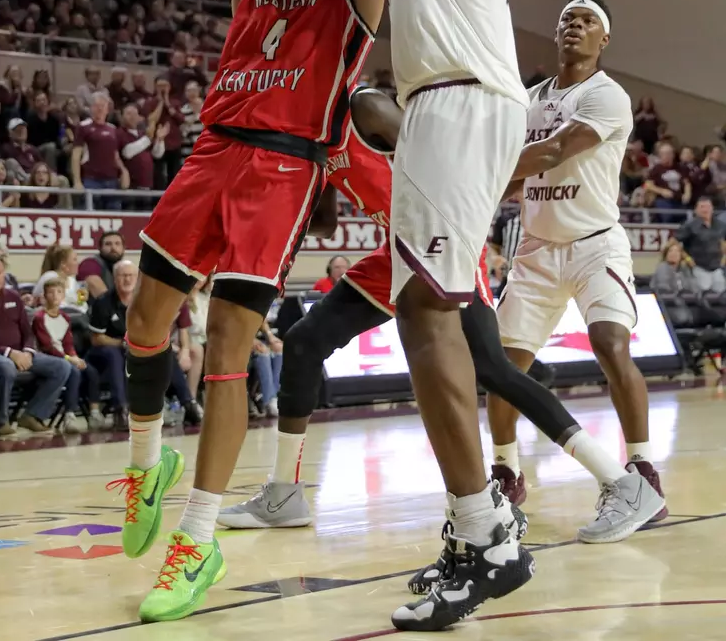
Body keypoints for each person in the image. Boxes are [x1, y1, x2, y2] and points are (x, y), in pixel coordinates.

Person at [114, 0, 385, 624]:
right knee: (145, 326)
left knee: (228, 347)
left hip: (280, 170)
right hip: (210, 155)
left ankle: (199, 538)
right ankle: (146, 470)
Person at [323, 0, 534, 628]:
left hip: (457, 103)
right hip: (457, 102)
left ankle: (482, 530)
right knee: (424, 308)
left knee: (427, 312)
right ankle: (474, 523)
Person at [219, 87, 663, 566]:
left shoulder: (363, 105)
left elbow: (437, 155)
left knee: (493, 370)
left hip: (440, 240)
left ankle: (622, 483)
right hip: (393, 253)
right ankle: (284, 494)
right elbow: (324, 222)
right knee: (304, 343)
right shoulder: (317, 139)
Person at [486, 0, 666, 539]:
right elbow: (519, 173)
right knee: (501, 369)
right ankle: (507, 472)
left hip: (594, 245)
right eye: (567, 19)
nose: (574, 27)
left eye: (587, 21)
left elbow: (551, 152)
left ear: (602, 38)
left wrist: (481, 175)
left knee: (611, 344)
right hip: (537, 250)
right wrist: (489, 189)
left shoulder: (608, 95)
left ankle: (640, 469)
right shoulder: (529, 98)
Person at [0, 256, 70, 436]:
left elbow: (27, 332)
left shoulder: (13, 297)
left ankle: (33, 415)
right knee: (6, 367)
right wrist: (10, 353)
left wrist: (27, 351)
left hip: (21, 353)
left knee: (62, 366)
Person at [31, 278, 106, 433]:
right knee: (74, 372)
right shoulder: (39, 318)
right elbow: (46, 346)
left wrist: (74, 356)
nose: (55, 296)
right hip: (49, 358)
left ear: (63, 295)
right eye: (51, 293)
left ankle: (94, 413)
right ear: (44, 296)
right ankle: (69, 415)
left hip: (67, 357)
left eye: (59, 292)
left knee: (90, 371)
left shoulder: (65, 318)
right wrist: (68, 358)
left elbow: (68, 343)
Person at [87, 259, 137, 432]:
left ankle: (186, 402)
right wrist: (122, 343)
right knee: (114, 354)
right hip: (101, 352)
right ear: (115, 279)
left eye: (131, 276)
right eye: (123, 276)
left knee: (163, 352)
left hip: (132, 349)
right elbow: (96, 338)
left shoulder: (141, 302)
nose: (128, 280)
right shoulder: (103, 303)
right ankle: (120, 409)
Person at [71, 91, 129, 209]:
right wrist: (77, 181)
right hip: (91, 180)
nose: (100, 109)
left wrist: (123, 171)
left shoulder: (113, 129)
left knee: (113, 218)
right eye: (97, 105)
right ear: (91, 108)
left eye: (103, 106)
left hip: (111, 180)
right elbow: (76, 155)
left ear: (107, 109)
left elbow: (115, 155)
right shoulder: (84, 127)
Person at [675, 197, 726, 292]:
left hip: (717, 267)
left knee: (721, 294)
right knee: (703, 293)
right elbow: (674, 243)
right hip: (698, 267)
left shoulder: (720, 225)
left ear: (712, 208)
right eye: (702, 207)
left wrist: (724, 257)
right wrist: (686, 258)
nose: (705, 209)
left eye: (707, 206)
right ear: (696, 209)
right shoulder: (689, 225)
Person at [77, 230, 125, 298]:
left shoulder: (125, 267)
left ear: (123, 248)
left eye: (117, 244)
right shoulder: (90, 263)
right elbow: (93, 284)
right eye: (108, 244)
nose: (113, 248)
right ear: (100, 248)